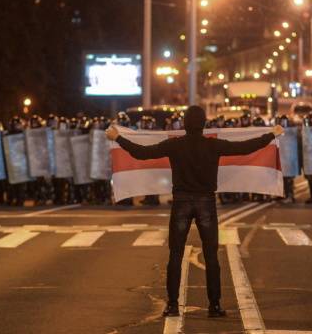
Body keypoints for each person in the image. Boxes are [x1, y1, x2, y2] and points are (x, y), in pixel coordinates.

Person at [106, 105, 283, 318]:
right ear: (204, 124)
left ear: (184, 124)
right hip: (206, 202)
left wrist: (118, 138)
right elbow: (246, 147)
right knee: (211, 256)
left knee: (176, 254)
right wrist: (271, 134)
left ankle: (172, 305)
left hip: (181, 201)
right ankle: (214, 306)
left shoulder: (175, 145)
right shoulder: (213, 145)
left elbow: (142, 153)